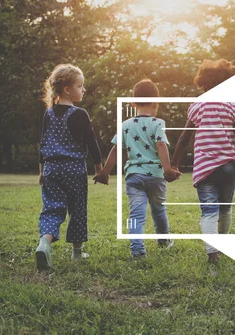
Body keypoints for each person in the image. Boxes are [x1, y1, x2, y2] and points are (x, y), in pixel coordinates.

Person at [170, 59, 235, 264]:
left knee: (209, 212)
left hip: (204, 169)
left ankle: (213, 254)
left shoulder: (197, 106)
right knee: (225, 209)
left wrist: (173, 165)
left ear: (203, 83)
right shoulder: (233, 107)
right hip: (227, 167)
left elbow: (184, 138)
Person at [96, 79, 180, 258]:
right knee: (159, 210)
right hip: (156, 177)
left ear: (133, 103)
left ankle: (137, 249)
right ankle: (164, 241)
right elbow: (161, 145)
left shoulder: (126, 125)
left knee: (136, 214)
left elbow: (116, 149)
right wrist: (168, 170)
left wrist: (105, 172)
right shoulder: (158, 123)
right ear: (156, 102)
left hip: (134, 177)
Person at [36, 64, 104, 271]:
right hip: (74, 169)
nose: (83, 90)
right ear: (67, 89)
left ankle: (44, 243)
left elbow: (43, 142)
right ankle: (76, 252)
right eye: (80, 86)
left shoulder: (48, 114)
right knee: (77, 209)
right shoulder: (80, 113)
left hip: (51, 169)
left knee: (52, 209)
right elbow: (92, 143)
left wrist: (41, 172)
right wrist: (99, 169)